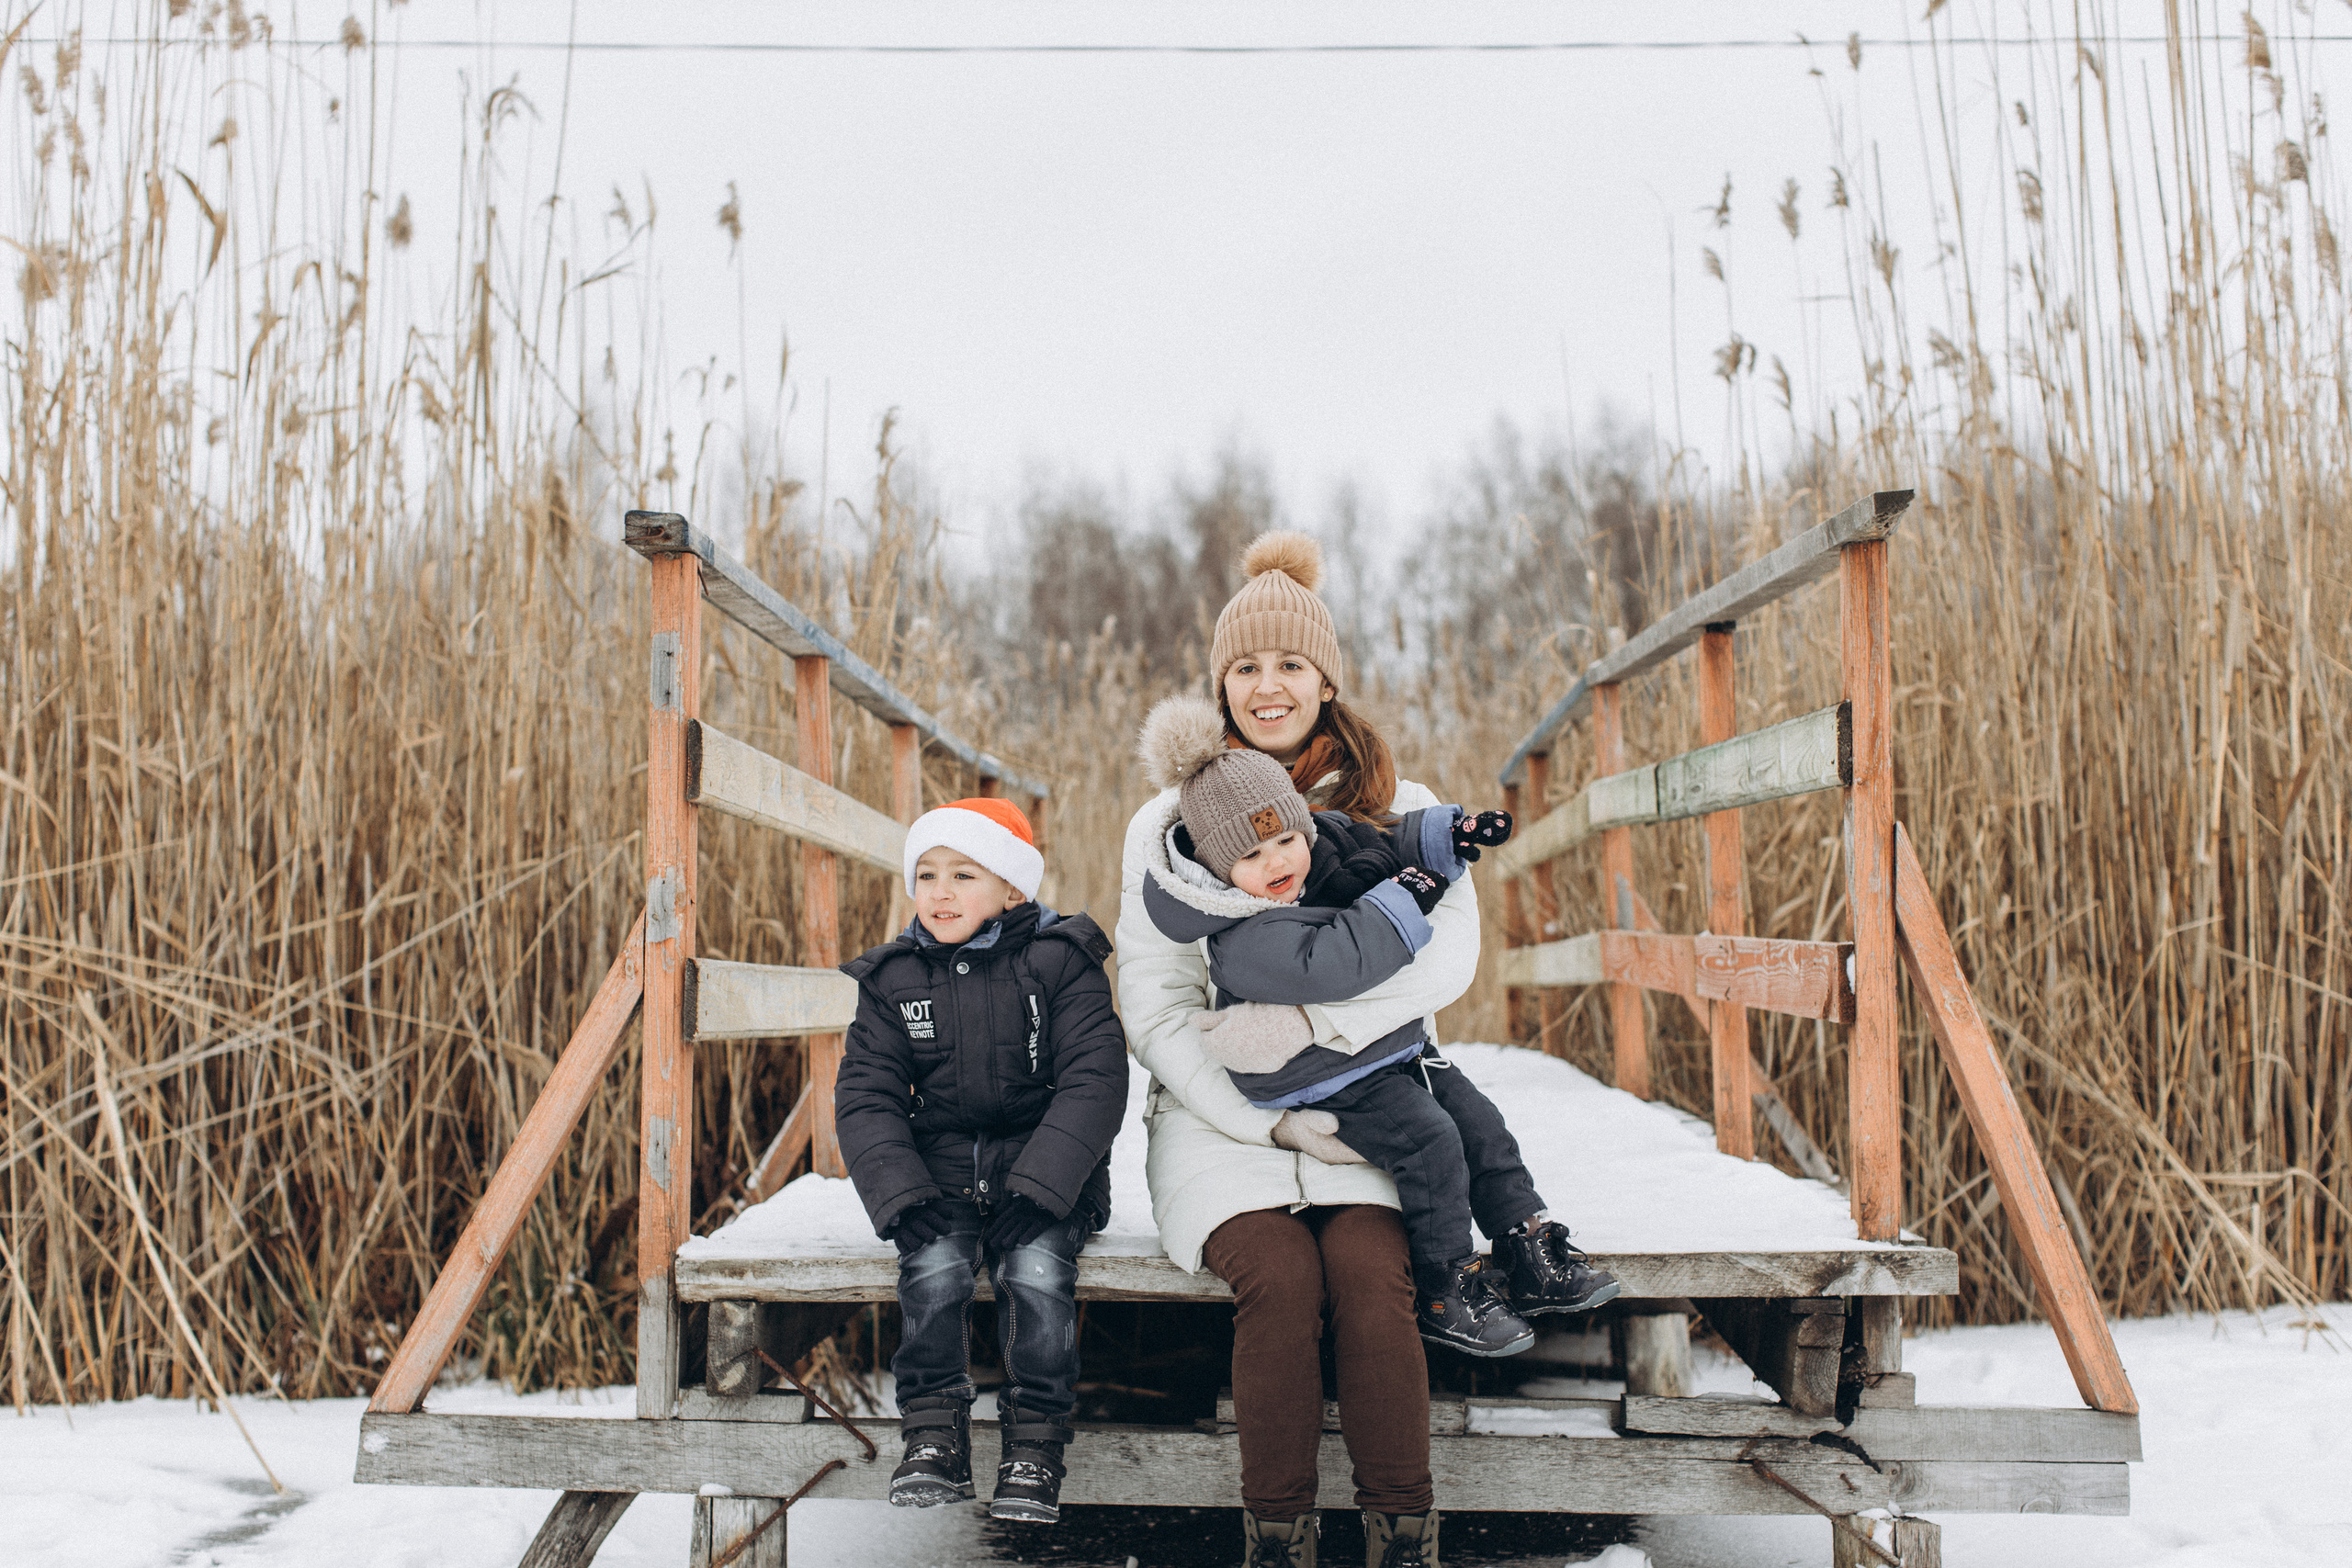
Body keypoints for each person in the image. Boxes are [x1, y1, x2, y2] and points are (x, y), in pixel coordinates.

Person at [1117, 530, 1463, 1568]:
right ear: (1220, 685)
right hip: (1227, 1115)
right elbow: (1157, 1003)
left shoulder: (1401, 813)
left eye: (1289, 664)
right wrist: (1262, 1120)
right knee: (1278, 1277)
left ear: (1326, 677)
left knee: (1367, 1270)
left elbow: (1443, 966)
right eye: (1244, 667)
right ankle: (1278, 1540)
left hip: (1369, 1097)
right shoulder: (1166, 825)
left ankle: (1405, 1533)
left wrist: (1315, 1030)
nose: (1267, 687)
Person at [1133, 694, 1620, 1361]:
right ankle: (1448, 1286)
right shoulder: (1244, 936)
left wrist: (1449, 835)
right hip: (1321, 1077)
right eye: (1252, 855)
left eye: (1285, 838)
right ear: (1221, 871)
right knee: (1431, 1142)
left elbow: (1380, 840)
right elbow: (1341, 960)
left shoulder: (1310, 849)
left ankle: (1525, 1240)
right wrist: (1416, 888)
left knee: (1481, 1123)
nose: (1278, 862)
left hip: (1381, 1050)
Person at [835, 797, 1129, 1525]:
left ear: (1012, 888)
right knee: (933, 1267)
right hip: (941, 1179)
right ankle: (933, 1432)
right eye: (926, 874)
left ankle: (1035, 1443)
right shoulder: (894, 980)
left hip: (1048, 1178)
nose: (940, 891)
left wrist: (1047, 1184)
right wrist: (900, 1193)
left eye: (963, 874)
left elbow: (1096, 1078)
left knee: (1036, 1272)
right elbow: (866, 1094)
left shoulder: (1061, 961)